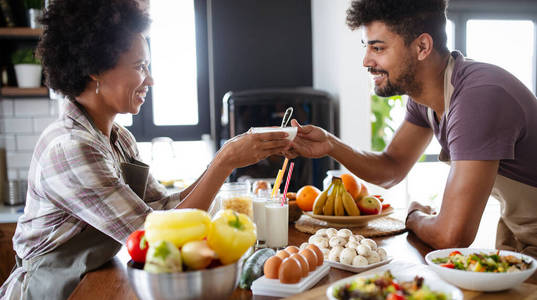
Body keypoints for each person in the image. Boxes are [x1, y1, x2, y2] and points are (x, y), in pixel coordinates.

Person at [0, 0, 290, 299]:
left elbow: (164, 211)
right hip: (50, 290)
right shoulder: (72, 149)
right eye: (140, 67)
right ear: (95, 70)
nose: (150, 79)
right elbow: (155, 237)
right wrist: (226, 161)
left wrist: (226, 157)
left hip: (88, 281)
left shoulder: (118, 138)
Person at [287, 0, 537, 258]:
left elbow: (452, 235)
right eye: (367, 47)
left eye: (378, 48)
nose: (366, 60)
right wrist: (331, 144)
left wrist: (413, 217)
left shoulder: (478, 97)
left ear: (422, 47)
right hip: (520, 240)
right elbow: (391, 167)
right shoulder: (425, 100)